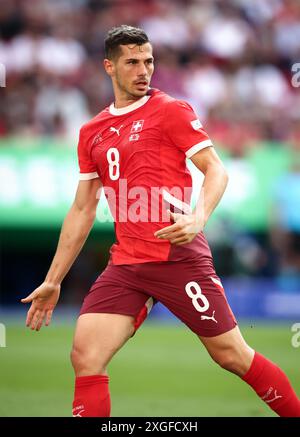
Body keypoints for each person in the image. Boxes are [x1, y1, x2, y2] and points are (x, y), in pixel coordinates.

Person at [21, 25, 300, 418]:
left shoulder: (171, 110)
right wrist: (53, 279)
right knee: (86, 356)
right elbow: (83, 209)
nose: (143, 70)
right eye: (132, 62)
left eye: (148, 61)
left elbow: (216, 170)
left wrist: (198, 216)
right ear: (109, 67)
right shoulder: (91, 132)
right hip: (127, 265)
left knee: (231, 355)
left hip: (177, 257)